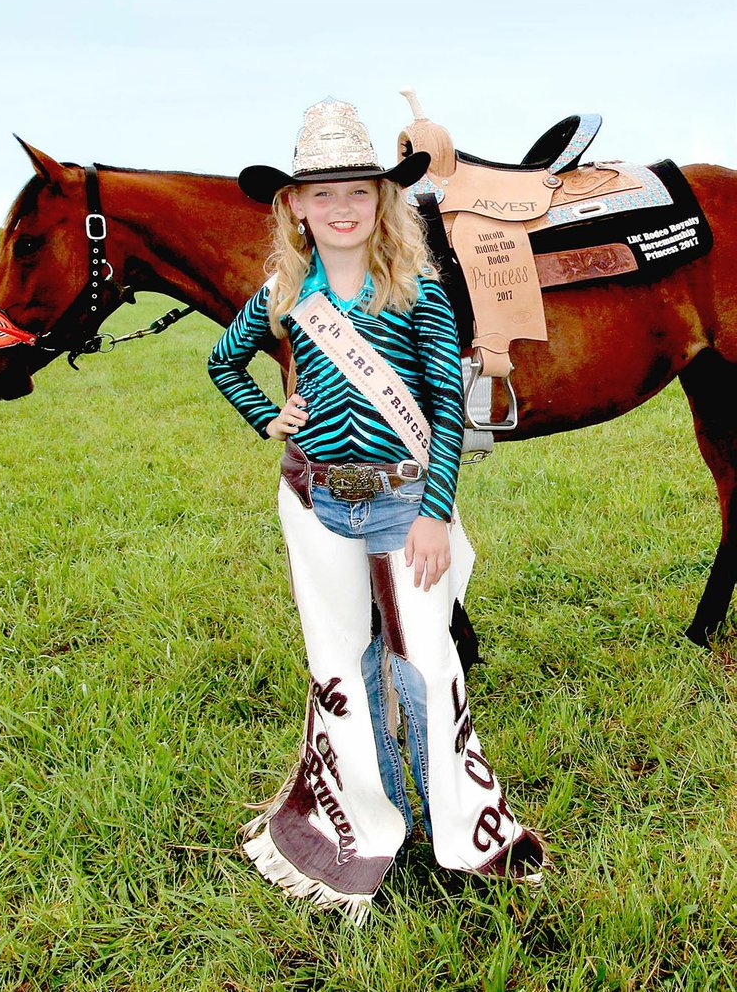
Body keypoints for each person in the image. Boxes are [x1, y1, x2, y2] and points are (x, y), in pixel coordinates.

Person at [208, 97, 543, 923]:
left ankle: (461, 831)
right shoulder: (285, 293)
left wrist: (434, 514)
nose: (342, 207)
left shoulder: (420, 291)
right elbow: (222, 361)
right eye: (322, 194)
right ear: (294, 205)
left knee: (426, 666)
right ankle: (369, 820)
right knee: (344, 668)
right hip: (313, 497)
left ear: (382, 198)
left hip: (402, 501)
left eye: (358, 190)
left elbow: (443, 402)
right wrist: (267, 415)